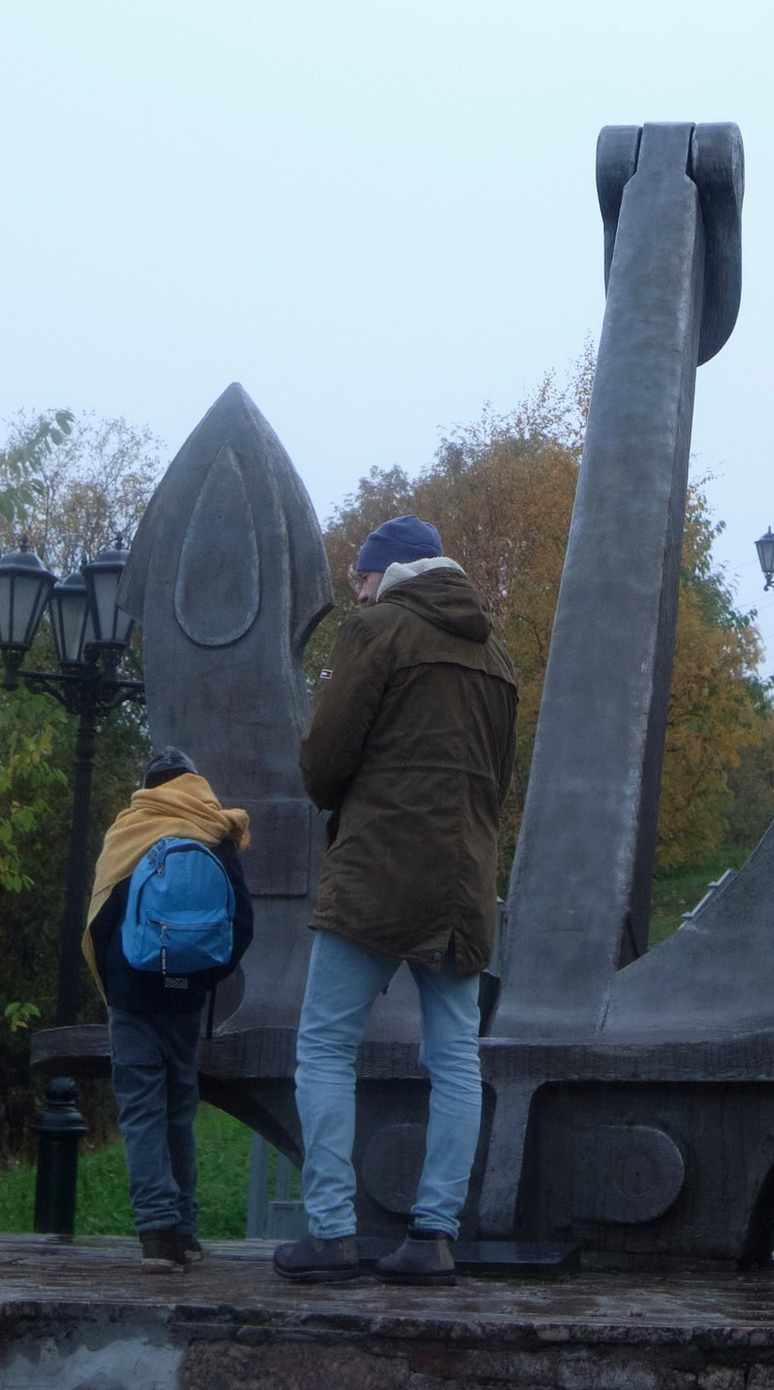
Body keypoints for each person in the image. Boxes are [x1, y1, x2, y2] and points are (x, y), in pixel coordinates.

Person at [272, 512, 519, 1285]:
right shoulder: (500, 658)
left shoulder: (378, 632)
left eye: (363, 574)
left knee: (323, 1047)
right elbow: (496, 782)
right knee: (455, 1059)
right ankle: (434, 1235)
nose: (357, 587)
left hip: (376, 874)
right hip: (463, 885)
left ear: (394, 571)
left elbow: (323, 763)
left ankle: (332, 1230)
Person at [85, 746, 255, 1268]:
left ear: (149, 785)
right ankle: (186, 1230)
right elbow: (241, 925)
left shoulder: (130, 832)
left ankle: (155, 1232)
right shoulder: (214, 831)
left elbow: (101, 919)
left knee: (141, 1111)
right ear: (193, 782)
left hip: (133, 994)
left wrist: (117, 980)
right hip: (187, 999)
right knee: (180, 1111)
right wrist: (201, 976)